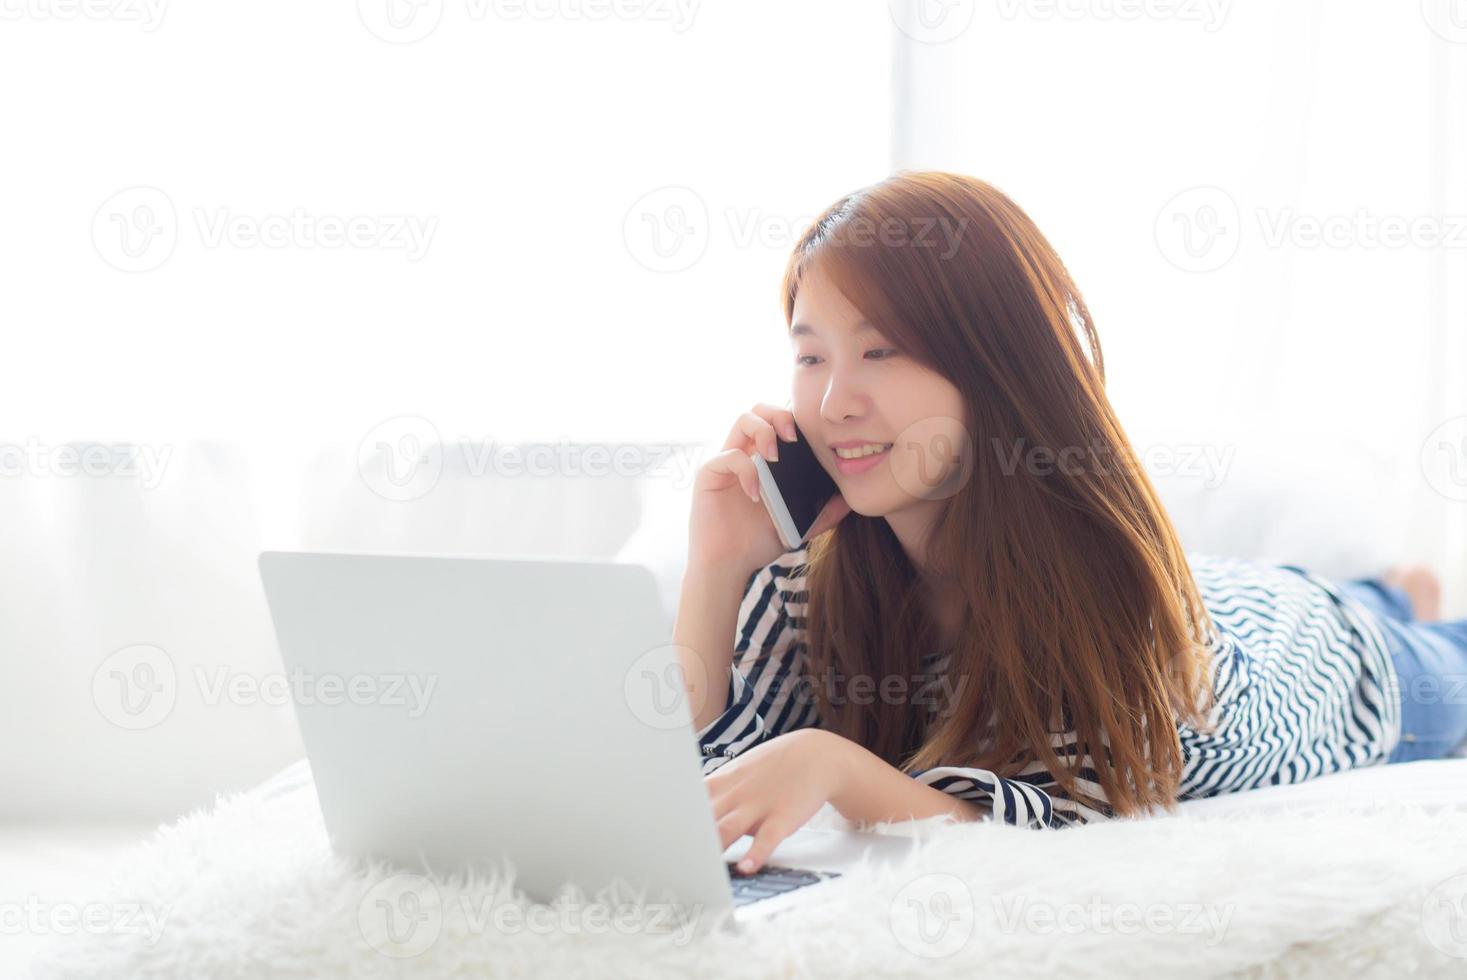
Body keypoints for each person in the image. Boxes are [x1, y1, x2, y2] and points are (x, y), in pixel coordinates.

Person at [670, 171, 1467, 875]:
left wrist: (831, 766)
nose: (835, 401)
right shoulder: (809, 577)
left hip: (1324, 661)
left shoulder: (1097, 600)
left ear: (996, 367)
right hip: (1222, 601)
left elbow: (1059, 817)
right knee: (1360, 597)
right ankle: (1393, 590)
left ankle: (1394, 602)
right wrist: (716, 568)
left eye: (880, 352)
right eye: (811, 358)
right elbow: (702, 774)